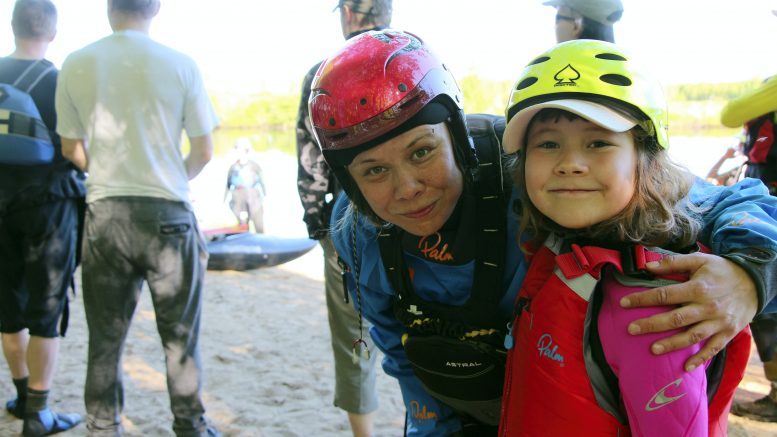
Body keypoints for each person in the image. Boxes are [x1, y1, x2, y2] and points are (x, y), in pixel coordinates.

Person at [309, 29, 777, 436]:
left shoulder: (536, 172)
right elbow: (398, 348)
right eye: (373, 172)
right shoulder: (358, 232)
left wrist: (748, 276)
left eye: (421, 152)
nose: (407, 189)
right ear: (349, 181)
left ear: (456, 134)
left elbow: (731, 201)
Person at [498, 39, 752, 436]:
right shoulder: (566, 240)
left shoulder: (655, 311)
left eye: (598, 142)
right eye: (548, 144)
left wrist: (752, 274)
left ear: (645, 160)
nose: (569, 164)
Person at [55, 1, 220, 435]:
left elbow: (71, 148)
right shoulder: (181, 64)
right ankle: (190, 426)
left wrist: (106, 173)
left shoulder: (76, 62)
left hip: (106, 214)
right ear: (156, 8)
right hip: (169, 214)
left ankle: (102, 426)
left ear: (109, 7)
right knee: (180, 339)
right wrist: (171, 178)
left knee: (105, 339)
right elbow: (204, 151)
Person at [295, 1, 391, 435]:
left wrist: (318, 226)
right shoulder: (414, 56)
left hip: (349, 219)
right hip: (420, 215)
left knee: (354, 334)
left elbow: (310, 158)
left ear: (349, 14)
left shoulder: (324, 73)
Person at [0, 1, 85, 436]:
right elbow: (77, 149)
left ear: (12, 27)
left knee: (7, 308)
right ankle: (39, 412)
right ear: (51, 33)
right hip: (49, 206)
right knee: (47, 309)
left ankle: (18, 395)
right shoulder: (61, 79)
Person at [721, 70, 777, 422]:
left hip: (768, 214)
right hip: (762, 210)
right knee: (767, 311)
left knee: (770, 312)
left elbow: (730, 113)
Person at [225, 137, 265, 233]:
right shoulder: (233, 167)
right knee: (242, 228)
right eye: (236, 149)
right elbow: (227, 185)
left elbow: (262, 184)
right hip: (238, 199)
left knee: (259, 228)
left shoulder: (255, 166)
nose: (238, 152)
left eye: (240, 149)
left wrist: (266, 198)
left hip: (254, 199)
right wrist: (223, 202)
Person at [543, 0, 623, 43]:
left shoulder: (552, 71)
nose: (554, 27)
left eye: (558, 19)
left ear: (576, 26)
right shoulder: (626, 69)